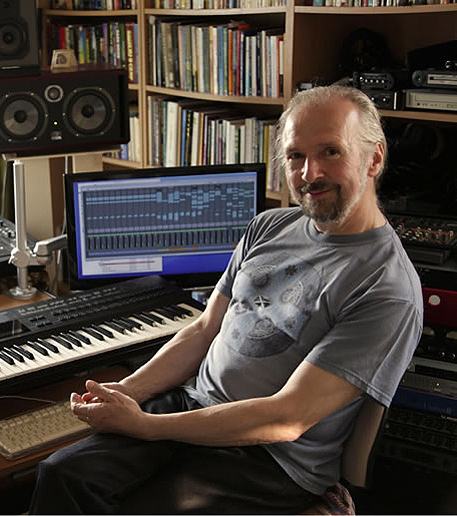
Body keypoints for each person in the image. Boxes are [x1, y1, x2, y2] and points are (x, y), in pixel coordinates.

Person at [29, 85, 423, 514]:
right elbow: (203, 330)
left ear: (374, 158)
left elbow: (287, 418)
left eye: (331, 151)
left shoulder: (387, 289)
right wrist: (127, 391)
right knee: (61, 473)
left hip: (270, 458)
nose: (310, 173)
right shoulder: (269, 226)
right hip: (193, 403)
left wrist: (147, 426)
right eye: (296, 156)